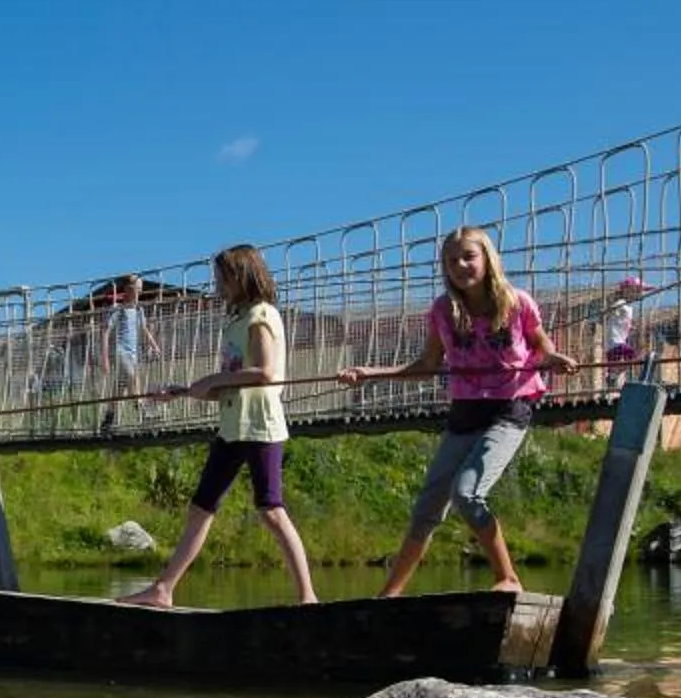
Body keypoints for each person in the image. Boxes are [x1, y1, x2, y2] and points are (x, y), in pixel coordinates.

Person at [338, 226, 576, 596]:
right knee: (427, 507)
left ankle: (508, 578)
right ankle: (389, 594)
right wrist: (371, 374)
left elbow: (542, 348)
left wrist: (555, 358)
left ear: (487, 259)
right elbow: (428, 364)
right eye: (452, 260)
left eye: (469, 256)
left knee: (468, 493)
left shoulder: (517, 303)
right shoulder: (443, 311)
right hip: (465, 413)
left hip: (509, 409)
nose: (460, 265)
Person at [118, 243, 319, 608]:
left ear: (243, 276)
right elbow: (230, 383)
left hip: (259, 427)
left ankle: (307, 597)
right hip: (232, 427)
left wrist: (210, 380)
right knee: (201, 507)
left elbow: (264, 373)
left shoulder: (261, 315)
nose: (218, 286)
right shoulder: (236, 321)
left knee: (271, 510)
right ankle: (163, 590)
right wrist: (183, 391)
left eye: (222, 279)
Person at [98, 274, 160, 433]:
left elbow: (144, 329)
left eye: (140, 288)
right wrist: (104, 358)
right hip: (120, 351)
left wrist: (154, 345)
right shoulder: (118, 309)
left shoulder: (139, 310)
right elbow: (105, 331)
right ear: (127, 289)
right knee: (133, 377)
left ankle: (108, 419)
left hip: (133, 353)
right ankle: (143, 411)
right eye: (137, 288)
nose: (139, 291)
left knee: (120, 389)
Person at [603, 275, 646, 365]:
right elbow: (611, 309)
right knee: (632, 354)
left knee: (616, 365)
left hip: (619, 341)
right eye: (637, 291)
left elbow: (623, 320)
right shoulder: (622, 303)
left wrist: (630, 327)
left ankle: (614, 376)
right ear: (628, 291)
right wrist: (608, 311)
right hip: (615, 341)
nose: (640, 294)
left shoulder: (629, 307)